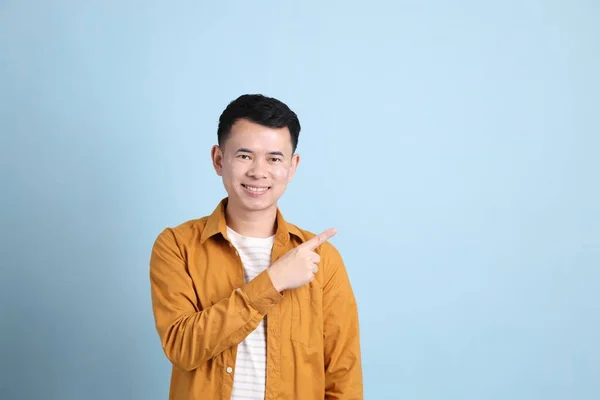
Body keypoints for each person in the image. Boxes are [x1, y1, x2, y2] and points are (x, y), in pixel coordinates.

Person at [149, 94, 363, 399]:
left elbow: (343, 377)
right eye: (244, 156)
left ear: (292, 167)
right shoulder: (177, 246)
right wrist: (274, 281)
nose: (258, 172)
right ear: (219, 160)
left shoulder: (322, 260)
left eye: (274, 158)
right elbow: (182, 348)